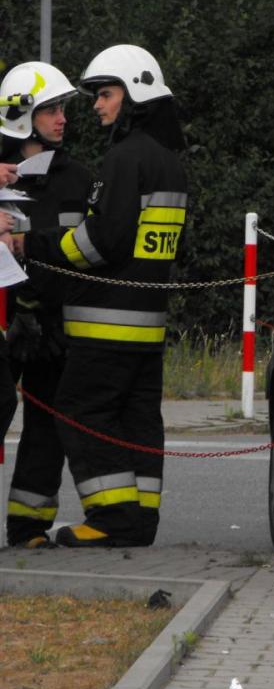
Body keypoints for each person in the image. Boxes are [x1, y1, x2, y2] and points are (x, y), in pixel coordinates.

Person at [9, 45, 188, 547]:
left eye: (104, 95)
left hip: (103, 322)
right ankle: (140, 519)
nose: (95, 106)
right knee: (138, 420)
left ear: (133, 96)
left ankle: (111, 520)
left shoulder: (122, 159)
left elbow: (101, 241)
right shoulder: (169, 164)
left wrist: (32, 245)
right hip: (147, 322)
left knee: (79, 411)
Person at [0, 61, 95, 549]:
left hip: (52, 326)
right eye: (51, 109)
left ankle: (26, 528)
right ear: (21, 116)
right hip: (5, 322)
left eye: (62, 109)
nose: (62, 119)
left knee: (45, 426)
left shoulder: (78, 180)